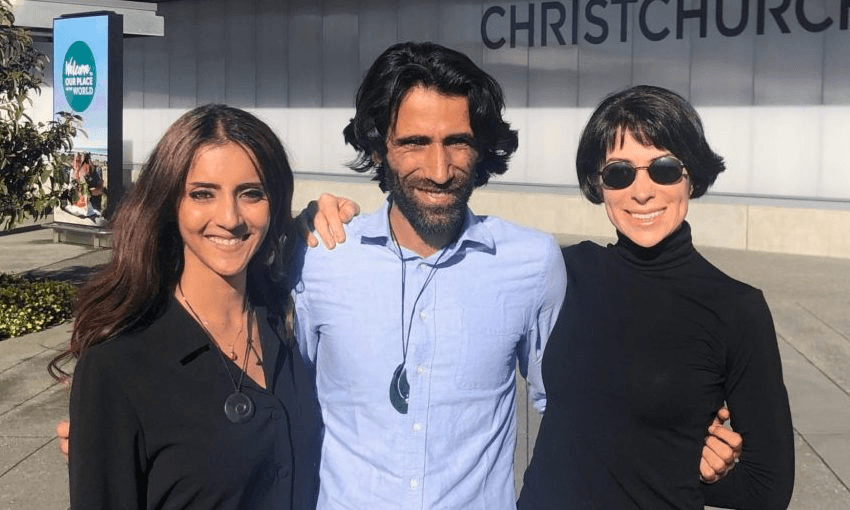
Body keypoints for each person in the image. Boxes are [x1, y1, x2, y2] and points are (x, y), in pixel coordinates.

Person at [517, 85, 795, 509]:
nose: (641, 191)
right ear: (598, 184)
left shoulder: (735, 309)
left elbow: (767, 486)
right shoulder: (565, 272)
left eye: (663, 169)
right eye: (619, 173)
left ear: (691, 175)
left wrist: (684, 466)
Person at [49, 105, 321, 509]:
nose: (229, 217)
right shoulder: (118, 365)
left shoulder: (292, 325)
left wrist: (329, 218)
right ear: (170, 203)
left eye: (251, 193)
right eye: (202, 194)